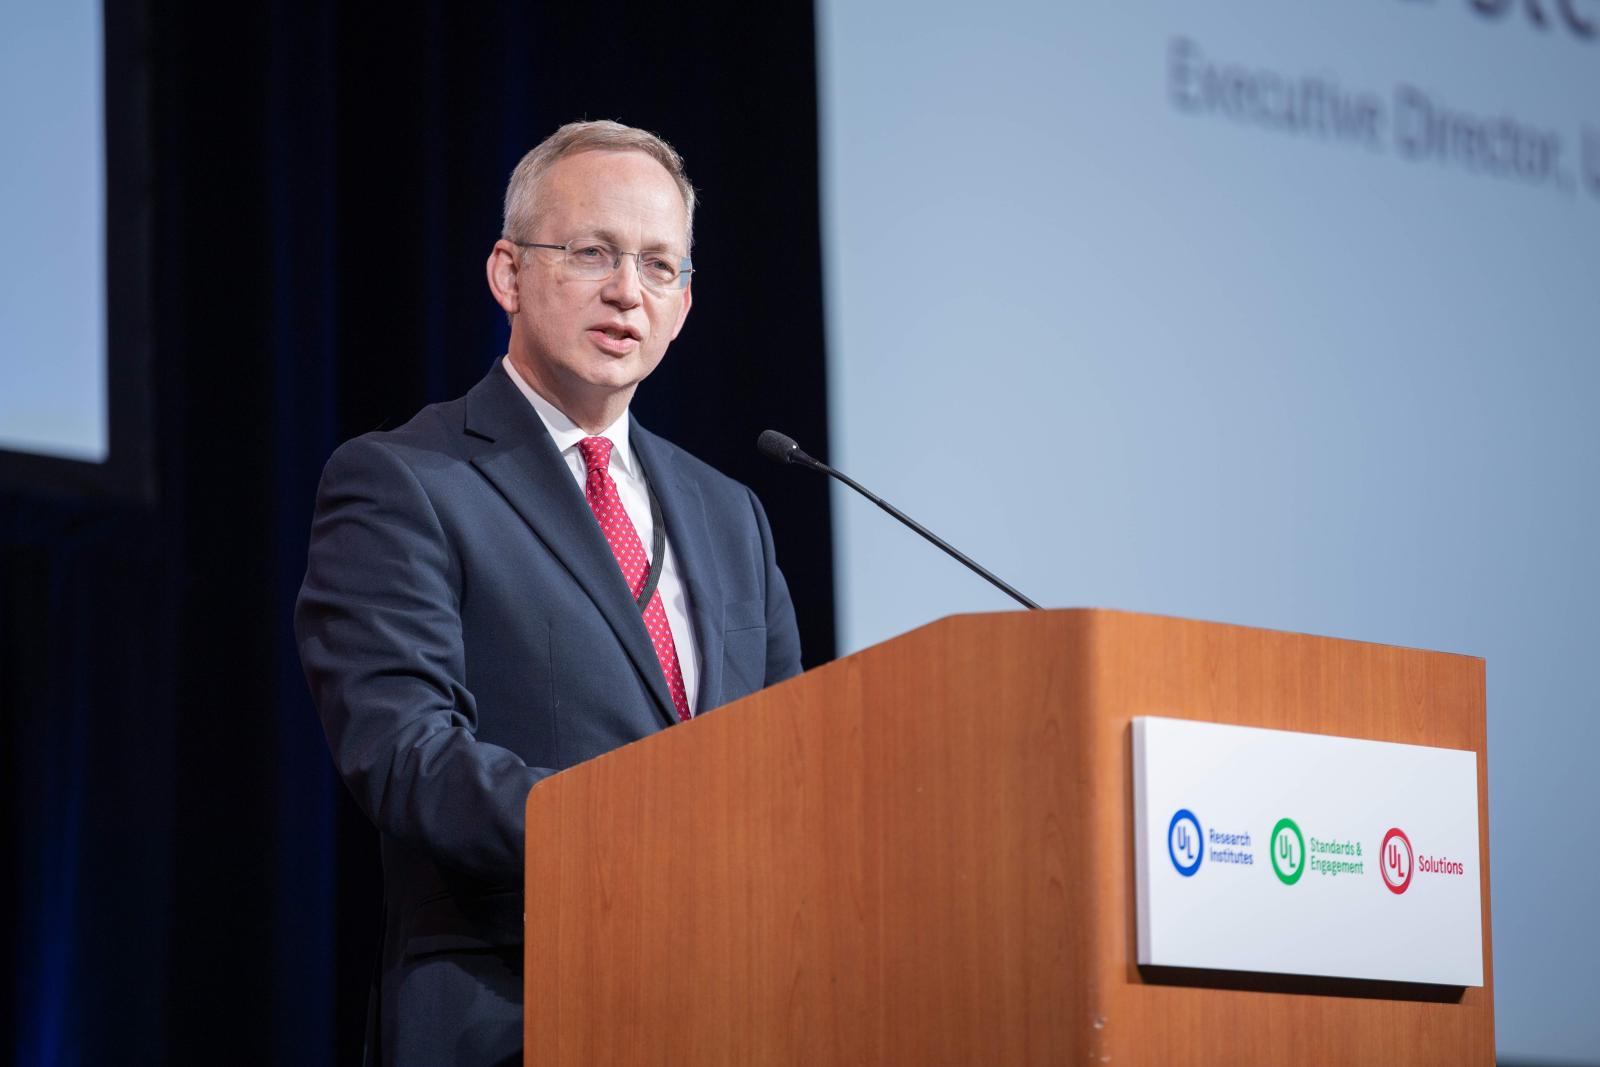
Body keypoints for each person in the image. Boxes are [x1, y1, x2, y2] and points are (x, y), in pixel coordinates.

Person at [295, 120, 803, 1067]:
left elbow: (788, 765)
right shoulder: (404, 480)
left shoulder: (732, 513)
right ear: (507, 273)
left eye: (661, 266)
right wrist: (635, 843)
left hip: (734, 1013)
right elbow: (405, 753)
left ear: (685, 302)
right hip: (516, 1012)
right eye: (592, 253)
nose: (627, 292)